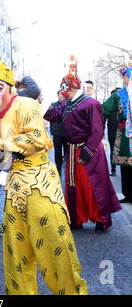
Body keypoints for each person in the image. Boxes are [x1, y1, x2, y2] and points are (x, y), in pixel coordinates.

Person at [0, 61, 88, 295]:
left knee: (56, 250)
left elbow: (38, 138)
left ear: (10, 88)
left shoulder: (26, 104)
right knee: (16, 256)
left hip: (40, 184)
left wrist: (1, 143)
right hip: (13, 186)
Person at [44, 73, 121, 232]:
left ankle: (100, 219)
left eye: (67, 91)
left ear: (72, 88)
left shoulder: (91, 103)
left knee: (93, 186)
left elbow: (98, 130)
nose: (66, 94)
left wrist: (87, 152)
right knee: (74, 186)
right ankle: (76, 218)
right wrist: (59, 102)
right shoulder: (67, 103)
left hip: (89, 150)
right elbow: (50, 116)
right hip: (72, 151)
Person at [0, 75, 41, 236]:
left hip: (3, 145)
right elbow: (34, 90)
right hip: (13, 147)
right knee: (8, 185)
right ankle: (1, 221)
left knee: (4, 186)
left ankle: (3, 221)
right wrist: (24, 78)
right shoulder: (11, 97)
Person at [102, 65, 132, 203]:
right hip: (124, 134)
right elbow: (104, 109)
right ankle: (127, 194)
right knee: (125, 165)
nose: (129, 77)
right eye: (127, 75)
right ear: (124, 78)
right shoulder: (117, 95)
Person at [49, 90, 68, 176]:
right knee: (58, 152)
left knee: (67, 151)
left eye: (63, 94)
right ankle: (59, 167)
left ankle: (67, 168)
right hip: (57, 133)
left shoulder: (69, 104)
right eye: (60, 94)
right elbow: (50, 118)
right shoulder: (53, 105)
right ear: (58, 96)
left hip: (67, 133)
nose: (62, 95)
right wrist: (52, 130)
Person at [105, 88, 120, 176]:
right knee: (113, 152)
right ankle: (113, 168)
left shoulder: (125, 104)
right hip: (112, 133)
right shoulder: (109, 107)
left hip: (124, 134)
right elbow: (103, 118)